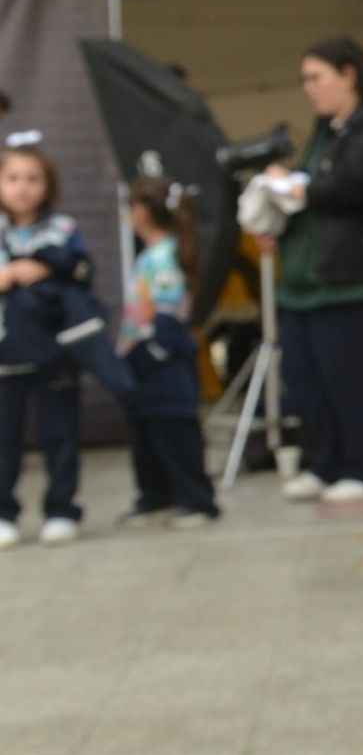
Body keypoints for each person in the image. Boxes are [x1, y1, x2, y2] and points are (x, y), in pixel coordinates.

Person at [270, 37, 363, 505]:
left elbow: (348, 188)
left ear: (348, 75)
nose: (310, 89)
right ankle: (325, 462)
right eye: (305, 80)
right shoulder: (325, 129)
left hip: (353, 277)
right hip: (305, 277)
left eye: (317, 78)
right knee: (302, 372)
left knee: (344, 373)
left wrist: (292, 187)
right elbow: (313, 192)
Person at [0, 139, 122, 548]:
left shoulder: (63, 230)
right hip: (6, 356)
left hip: (57, 352)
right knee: (4, 441)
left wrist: (47, 267)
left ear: (47, 185)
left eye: (33, 179)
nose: (22, 187)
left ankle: (61, 509)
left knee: (61, 435)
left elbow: (83, 275)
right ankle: (4, 513)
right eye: (13, 178)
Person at [115, 176, 218, 530]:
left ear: (141, 212)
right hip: (141, 356)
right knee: (146, 430)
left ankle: (195, 499)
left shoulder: (164, 258)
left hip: (161, 358)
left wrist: (155, 349)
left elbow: (168, 312)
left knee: (173, 429)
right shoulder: (151, 256)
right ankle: (155, 496)